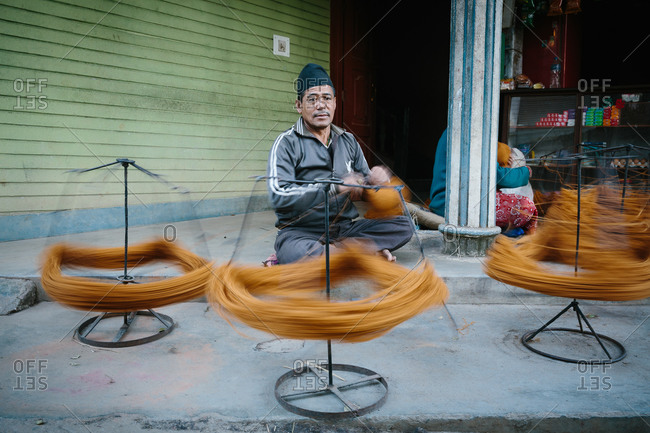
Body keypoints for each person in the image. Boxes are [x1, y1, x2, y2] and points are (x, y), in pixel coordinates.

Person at [266, 63, 413, 264]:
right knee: (294, 250)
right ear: (299, 106)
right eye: (312, 99)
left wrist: (377, 184)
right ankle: (361, 252)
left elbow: (365, 187)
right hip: (301, 231)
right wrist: (334, 187)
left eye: (326, 98)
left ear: (334, 103)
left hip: (344, 229)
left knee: (403, 226)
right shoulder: (287, 143)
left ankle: (339, 253)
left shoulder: (348, 141)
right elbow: (278, 195)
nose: (320, 105)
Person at [429, 128, 537, 235]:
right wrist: (525, 172)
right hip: (458, 206)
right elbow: (496, 176)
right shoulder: (472, 132)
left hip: (439, 202)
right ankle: (519, 237)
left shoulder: (451, 130)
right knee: (527, 207)